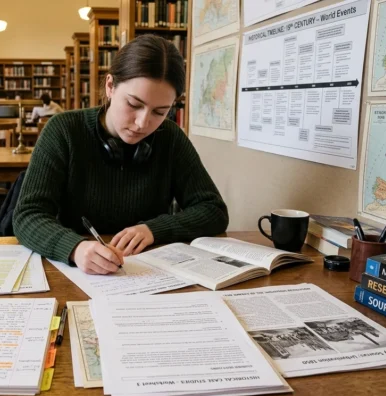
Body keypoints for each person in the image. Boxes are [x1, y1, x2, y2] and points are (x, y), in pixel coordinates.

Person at [13, 34, 229, 275]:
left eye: (160, 112)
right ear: (110, 86)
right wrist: (75, 248)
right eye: (134, 104)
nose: (142, 123)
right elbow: (27, 215)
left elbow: (214, 210)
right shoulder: (63, 130)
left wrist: (154, 229)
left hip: (148, 274)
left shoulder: (170, 137)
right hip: (76, 273)